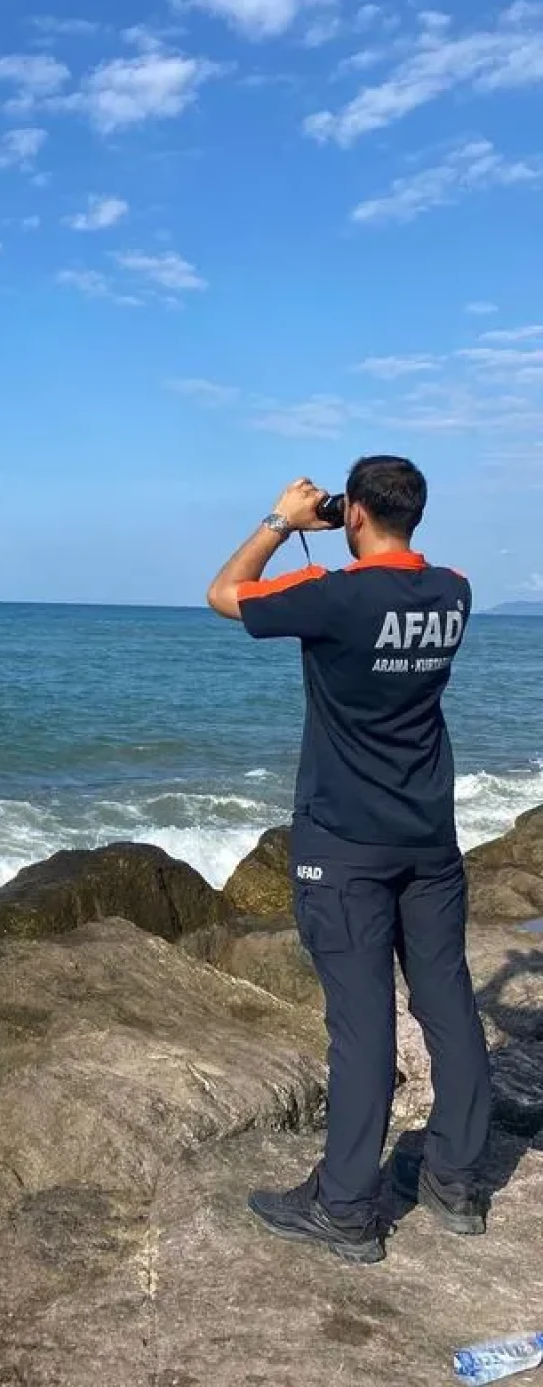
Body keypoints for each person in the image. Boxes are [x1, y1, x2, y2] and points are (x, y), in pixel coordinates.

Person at [206, 456, 492, 1265]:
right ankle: (458, 1182)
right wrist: (354, 529)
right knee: (449, 1006)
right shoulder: (455, 593)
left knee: (362, 1026)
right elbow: (409, 574)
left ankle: (345, 1206)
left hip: (346, 848)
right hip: (428, 841)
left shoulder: (335, 597)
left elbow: (224, 595)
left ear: (355, 512)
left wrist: (282, 521)